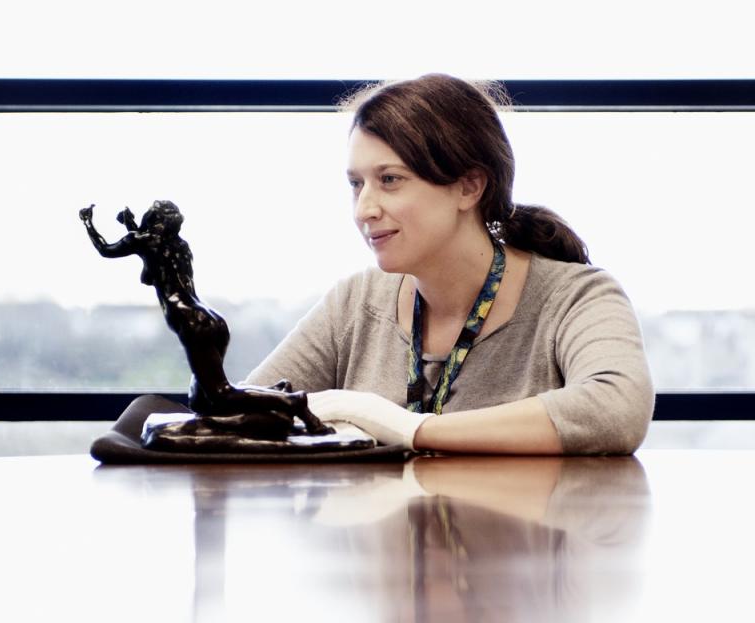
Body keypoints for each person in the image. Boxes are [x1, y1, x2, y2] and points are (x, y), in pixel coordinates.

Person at [245, 74, 654, 454]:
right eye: (356, 184)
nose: (364, 209)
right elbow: (239, 416)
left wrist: (406, 429)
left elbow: (617, 409)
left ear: (469, 187)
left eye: (389, 179)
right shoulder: (355, 302)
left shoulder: (576, 296)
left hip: (522, 533)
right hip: (385, 532)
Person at [79, 200, 328, 435]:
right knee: (201, 400)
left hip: (190, 322)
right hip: (211, 319)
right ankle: (277, 393)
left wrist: (88, 222)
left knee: (220, 394)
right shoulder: (180, 246)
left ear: (154, 219)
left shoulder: (144, 241)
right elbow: (150, 261)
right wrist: (130, 225)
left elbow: (106, 249)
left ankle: (292, 402)